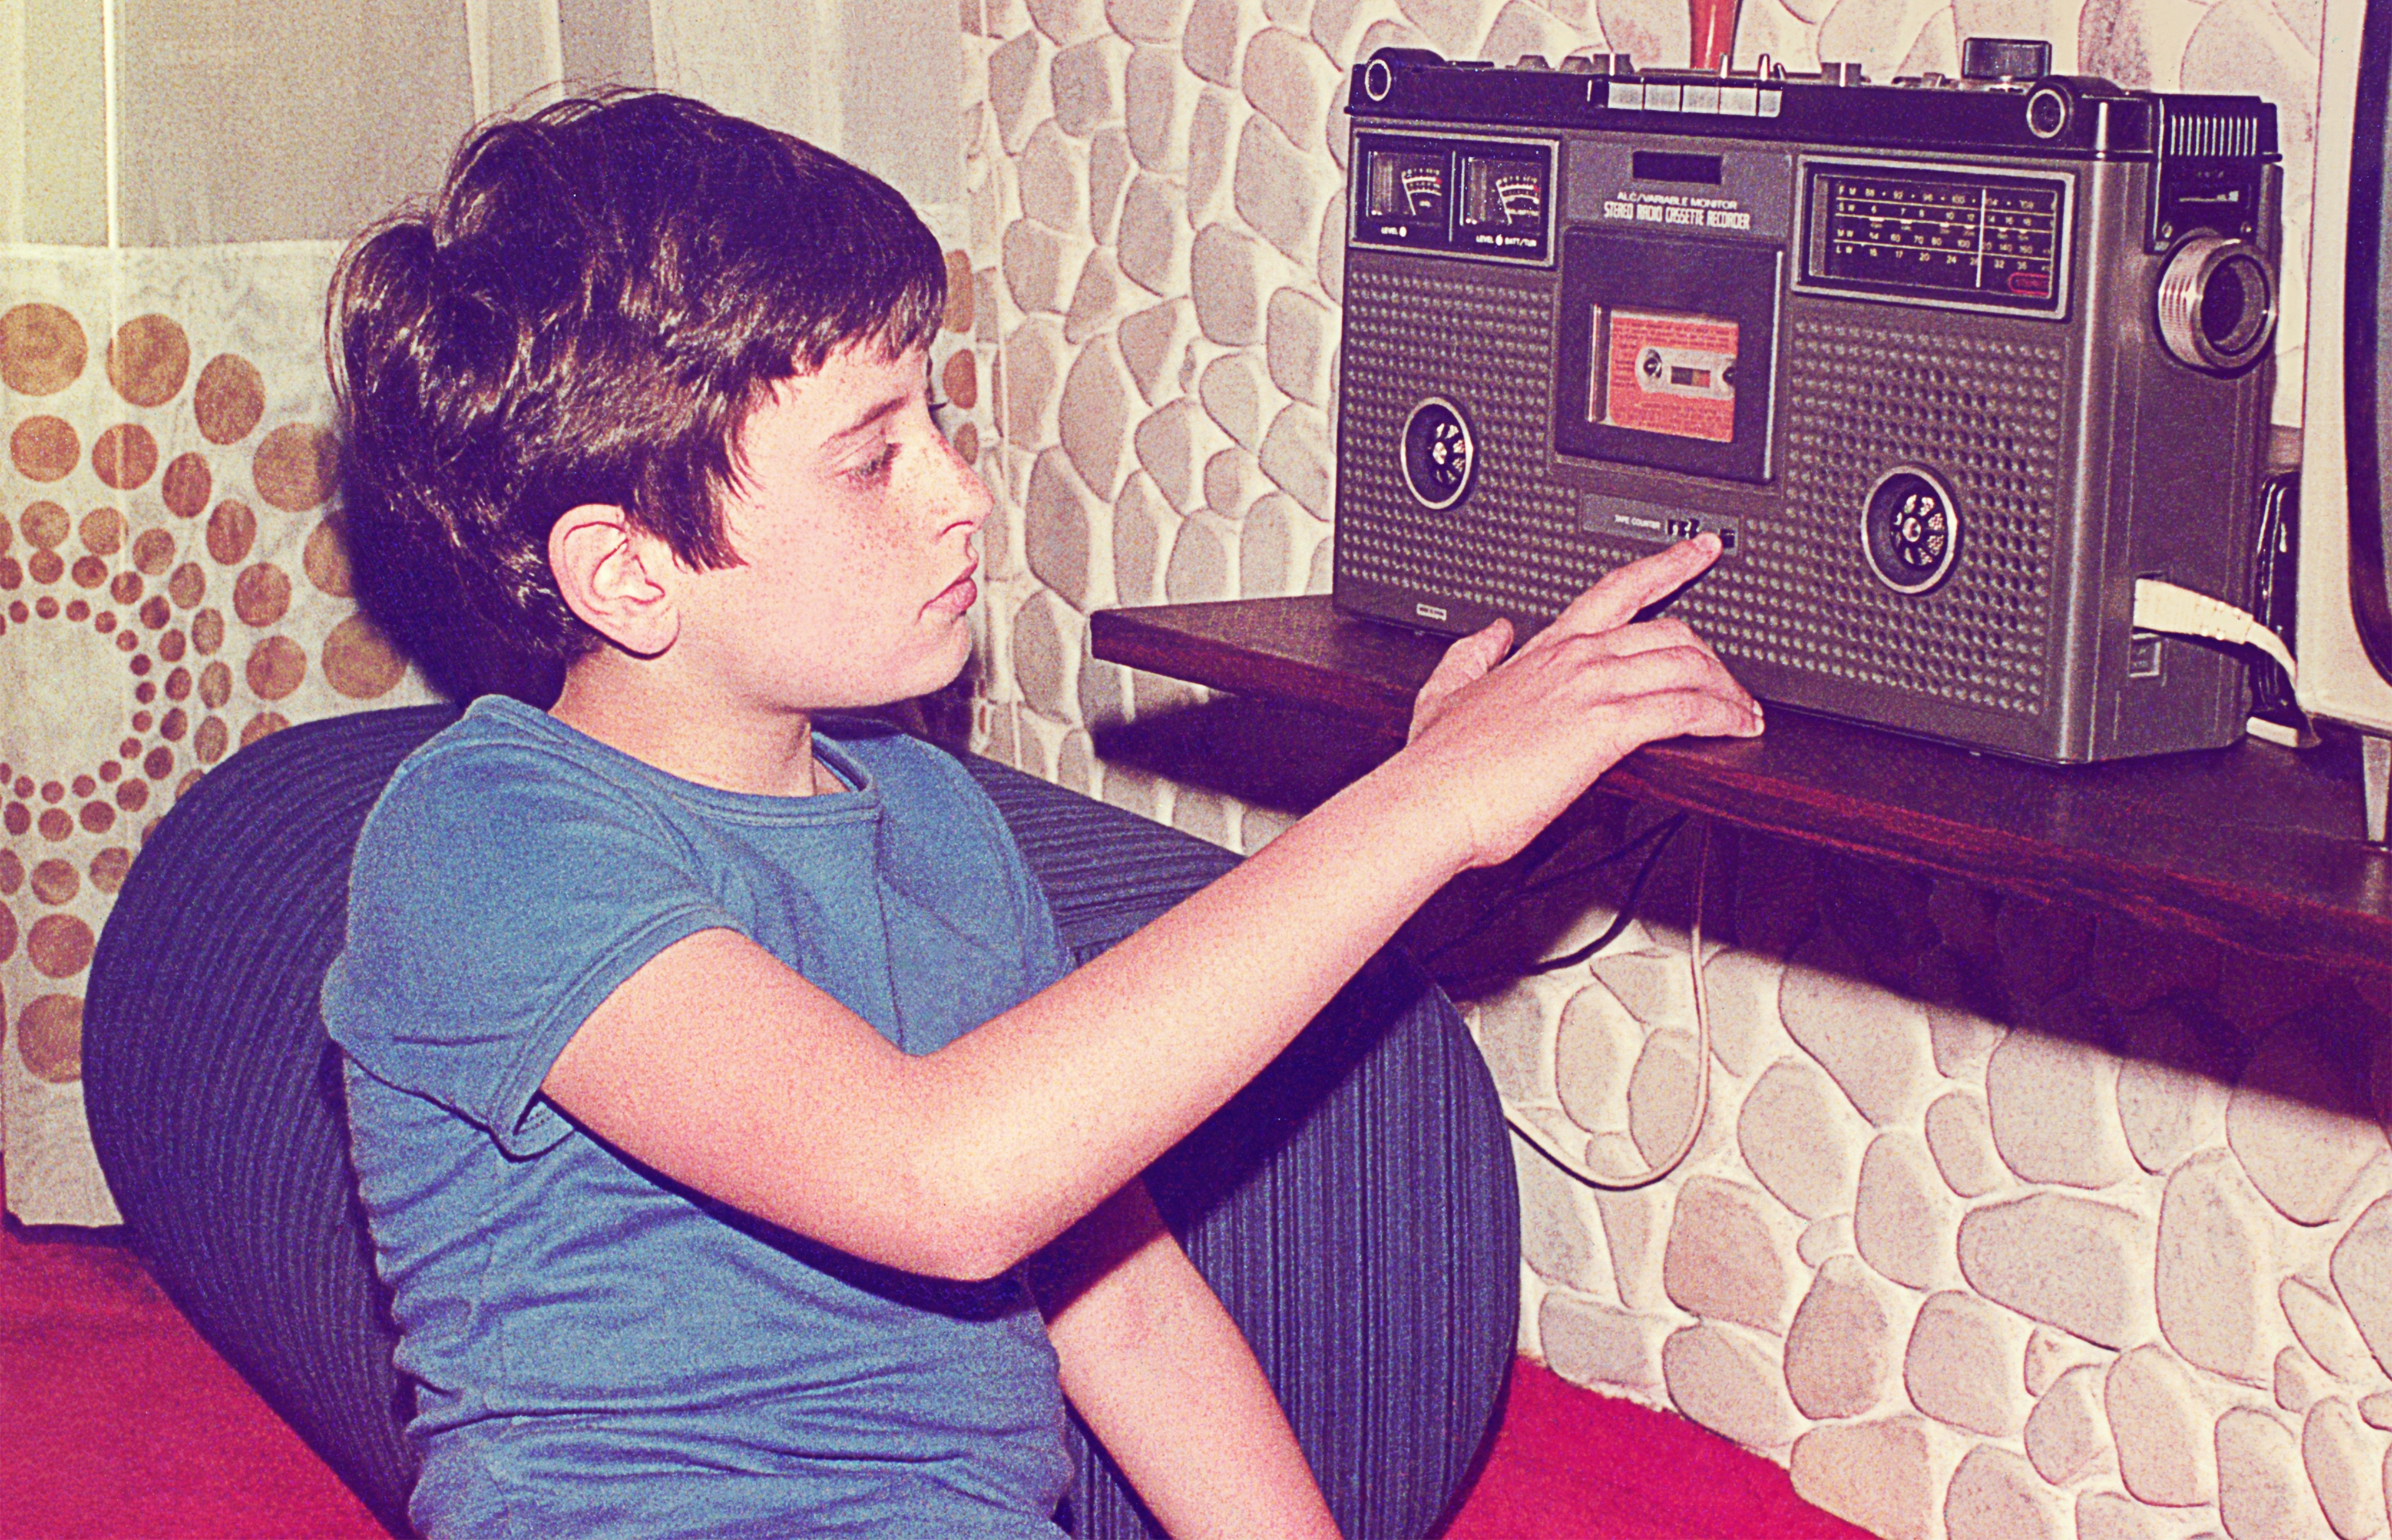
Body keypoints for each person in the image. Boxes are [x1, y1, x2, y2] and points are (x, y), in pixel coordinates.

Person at [319, 89, 1762, 1540]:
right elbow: (945, 1177)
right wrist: (1423, 802)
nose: (964, 492)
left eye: (936, 415)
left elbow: (1123, 1308)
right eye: (873, 456)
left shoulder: (938, 820)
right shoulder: (482, 836)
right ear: (630, 576)